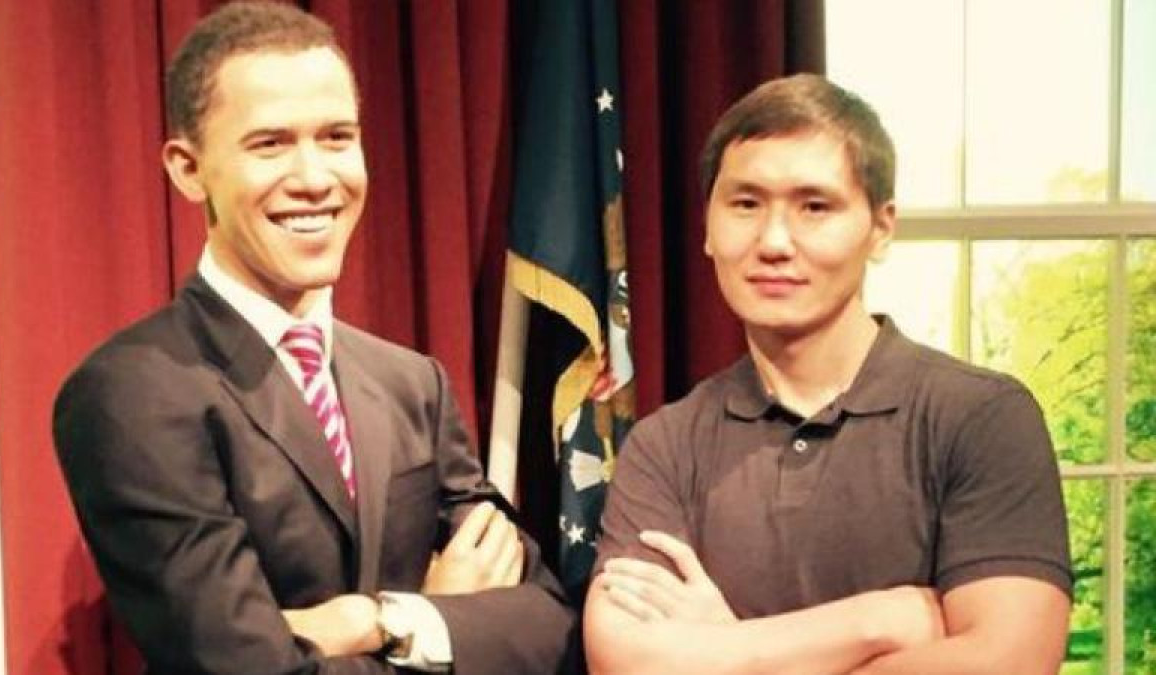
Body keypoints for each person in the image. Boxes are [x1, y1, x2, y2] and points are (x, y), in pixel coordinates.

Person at [52, 3, 572, 673]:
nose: (315, 179)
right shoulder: (132, 395)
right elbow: (244, 667)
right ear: (187, 169)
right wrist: (449, 628)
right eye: (270, 144)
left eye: (336, 137)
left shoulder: (411, 384)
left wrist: (382, 618)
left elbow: (547, 624)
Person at [584, 73, 1072, 674]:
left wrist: (725, 650)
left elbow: (1010, 662)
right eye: (745, 204)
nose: (774, 242)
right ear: (707, 227)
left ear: (881, 228)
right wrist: (878, 620)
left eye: (815, 207)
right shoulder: (665, 445)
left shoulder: (981, 417)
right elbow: (625, 664)